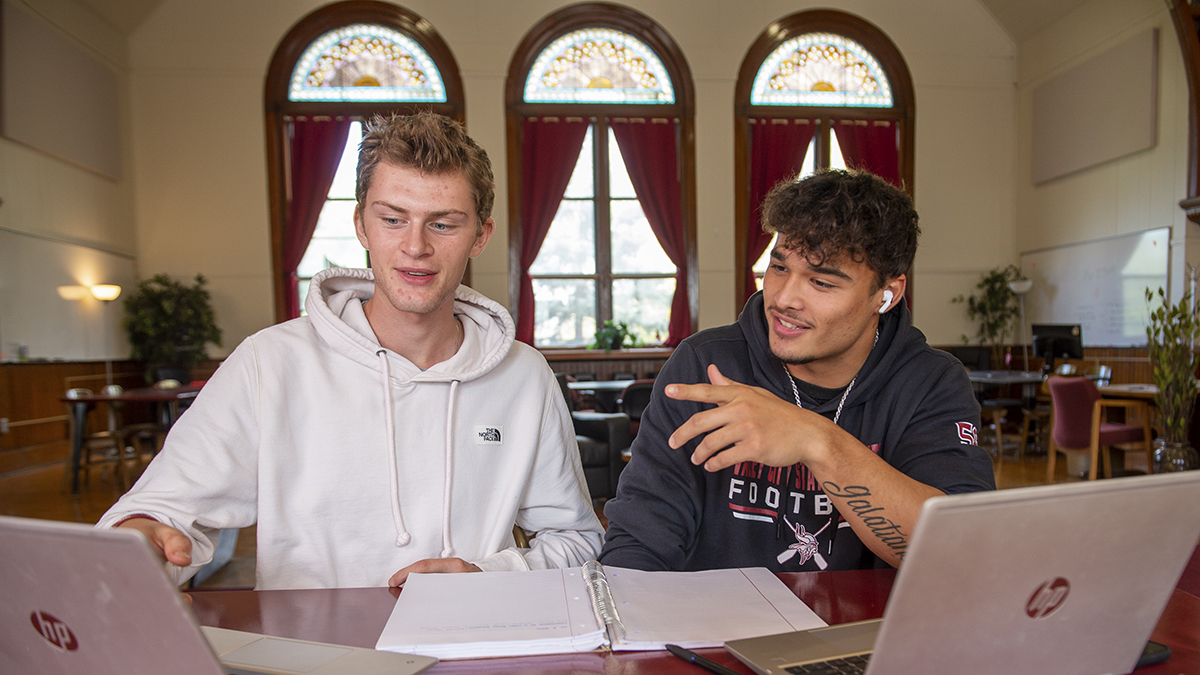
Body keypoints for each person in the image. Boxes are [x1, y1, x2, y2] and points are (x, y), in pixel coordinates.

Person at [97, 112, 603, 589]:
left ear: (480, 235)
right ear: (361, 224)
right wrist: (143, 539)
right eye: (393, 219)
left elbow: (578, 540)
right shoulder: (268, 363)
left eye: (443, 223)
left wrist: (489, 580)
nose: (416, 246)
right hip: (310, 655)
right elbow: (158, 515)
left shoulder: (523, 374)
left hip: (471, 649)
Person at [599, 169, 994, 572]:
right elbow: (638, 542)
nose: (784, 299)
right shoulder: (706, 364)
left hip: (863, 633)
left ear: (886, 294)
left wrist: (816, 440)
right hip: (722, 628)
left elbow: (956, 554)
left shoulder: (930, 381)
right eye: (779, 267)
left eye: (822, 283)